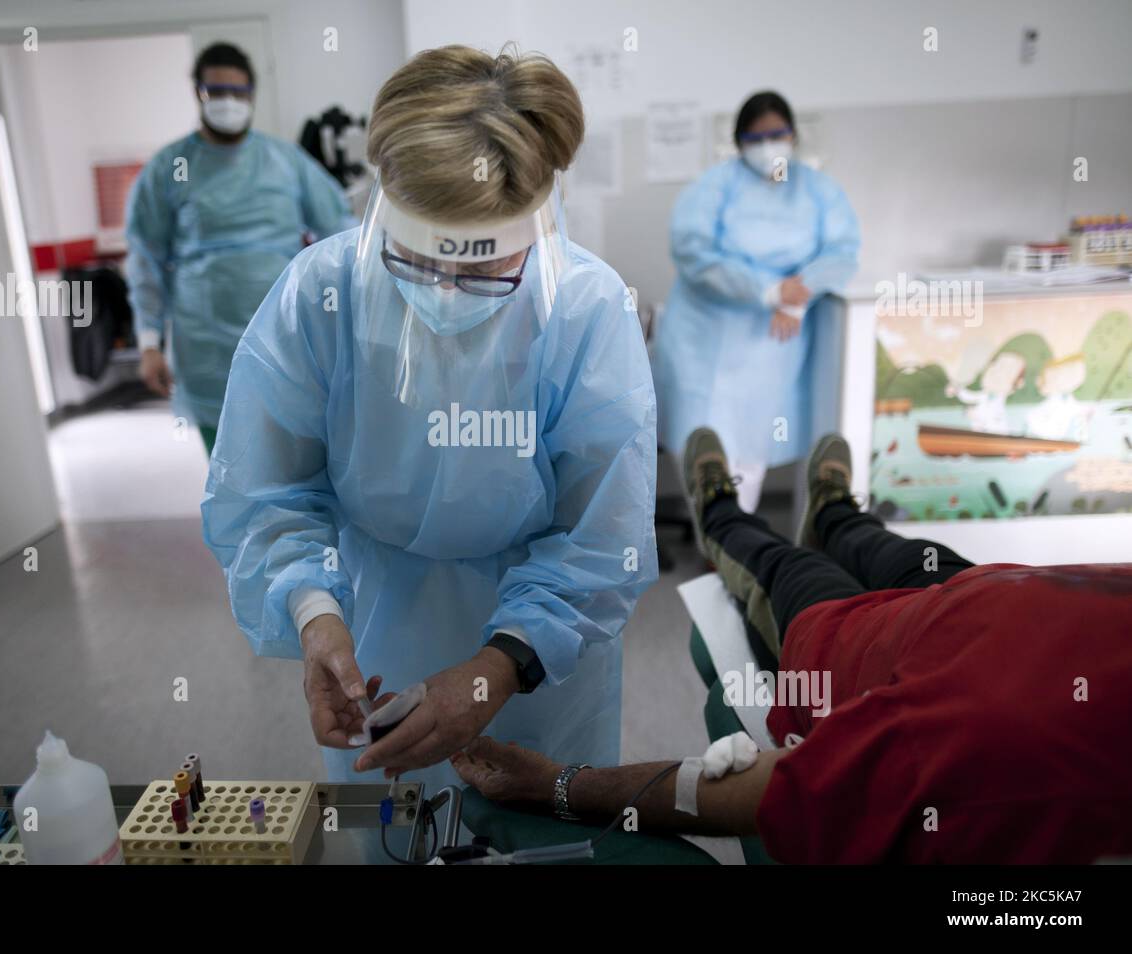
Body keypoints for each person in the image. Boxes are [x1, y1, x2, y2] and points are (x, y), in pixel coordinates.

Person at [201, 46, 658, 799]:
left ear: (533, 225)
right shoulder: (323, 293)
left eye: (482, 270)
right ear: (382, 210)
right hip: (374, 622)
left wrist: (498, 668)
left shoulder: (583, 306)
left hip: (541, 653)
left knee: (537, 828)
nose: (446, 295)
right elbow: (266, 488)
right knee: (393, 823)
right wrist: (315, 616)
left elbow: (601, 538)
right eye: (417, 261)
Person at [454, 428, 1132, 863]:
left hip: (855, 636)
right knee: (885, 545)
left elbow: (778, 790)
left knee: (782, 564)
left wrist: (559, 784)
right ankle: (836, 509)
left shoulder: (997, 748)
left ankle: (717, 505)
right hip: (982, 593)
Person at [126, 42, 353, 453]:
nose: (229, 102)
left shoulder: (286, 161)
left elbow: (341, 233)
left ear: (252, 94)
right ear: (199, 93)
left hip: (286, 339)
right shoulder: (170, 168)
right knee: (226, 463)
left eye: (239, 93)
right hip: (206, 348)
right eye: (217, 92)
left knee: (296, 463)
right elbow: (146, 260)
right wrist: (148, 345)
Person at [652, 91, 860, 511]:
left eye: (777, 135)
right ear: (739, 142)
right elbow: (693, 252)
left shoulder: (819, 191)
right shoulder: (713, 187)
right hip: (703, 337)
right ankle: (712, 536)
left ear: (794, 136)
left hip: (772, 344)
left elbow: (841, 251)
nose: (768, 147)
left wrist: (798, 294)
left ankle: (733, 537)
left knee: (753, 440)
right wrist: (765, 290)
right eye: (756, 138)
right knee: (702, 440)